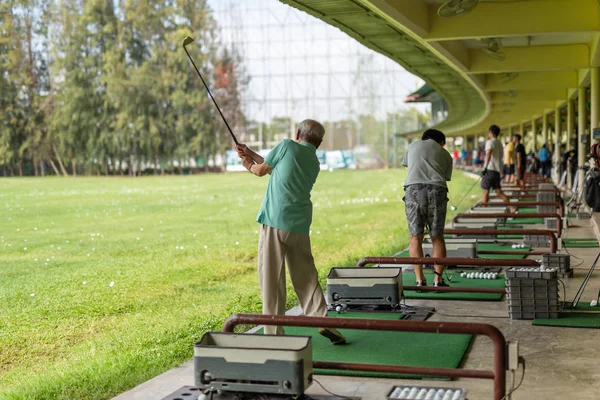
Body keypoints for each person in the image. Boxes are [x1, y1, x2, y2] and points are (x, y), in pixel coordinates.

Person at [236, 119, 345, 344]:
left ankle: (273, 335)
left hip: (276, 220)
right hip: (299, 225)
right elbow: (275, 167)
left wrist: (247, 162)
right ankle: (323, 321)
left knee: (271, 280)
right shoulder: (313, 161)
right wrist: (250, 152)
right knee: (306, 277)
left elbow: (260, 171)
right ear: (319, 142)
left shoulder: (286, 145)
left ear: (297, 133)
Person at [402, 129, 452, 288]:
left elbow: (408, 166)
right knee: (437, 237)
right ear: (441, 142)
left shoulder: (412, 146)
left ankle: (419, 280)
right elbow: (445, 176)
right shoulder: (445, 154)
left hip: (413, 190)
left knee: (415, 237)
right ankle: (438, 280)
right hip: (437, 190)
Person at [481, 125, 517, 212]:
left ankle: (483, 211)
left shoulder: (490, 142)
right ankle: (512, 208)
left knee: (485, 191)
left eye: (489, 132)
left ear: (491, 133)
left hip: (489, 170)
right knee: (499, 192)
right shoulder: (500, 143)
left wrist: (485, 167)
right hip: (496, 172)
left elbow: (489, 153)